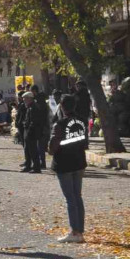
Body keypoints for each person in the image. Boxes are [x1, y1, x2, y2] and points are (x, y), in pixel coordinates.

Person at [48, 95, 88, 243]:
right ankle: (80, 231)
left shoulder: (60, 124)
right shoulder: (82, 121)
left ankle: (75, 231)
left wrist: (50, 150)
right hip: (79, 162)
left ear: (62, 107)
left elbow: (53, 146)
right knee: (77, 196)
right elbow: (85, 142)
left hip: (64, 164)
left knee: (70, 198)